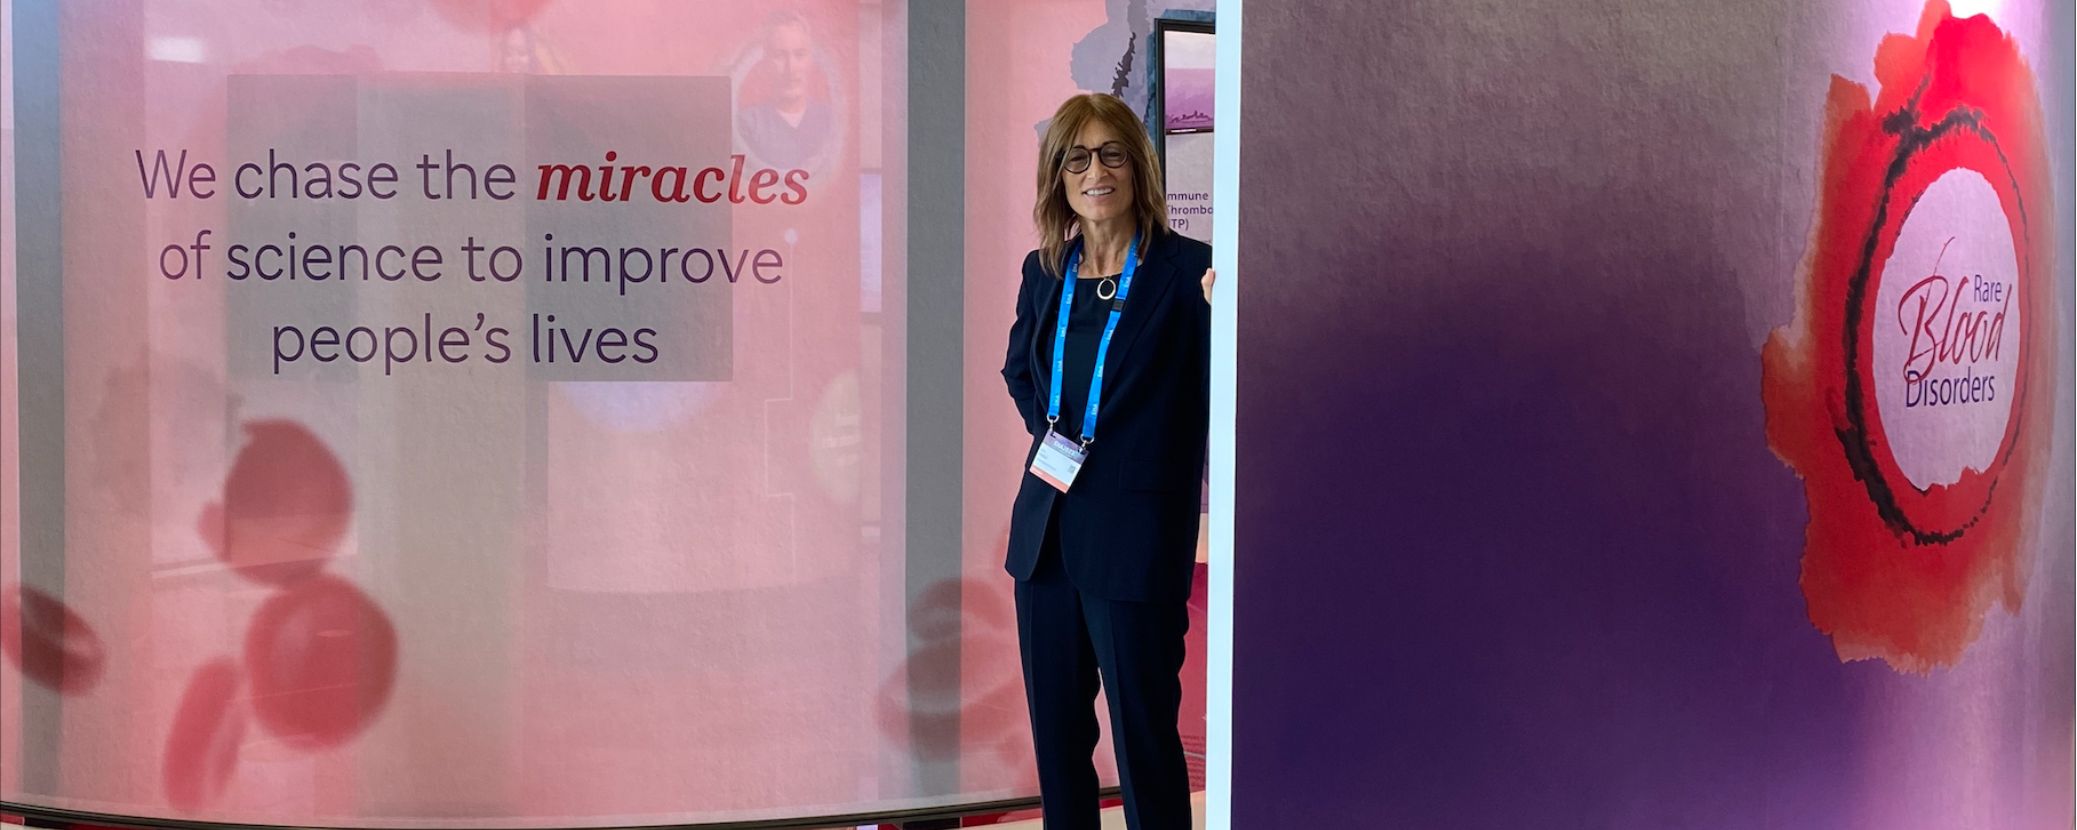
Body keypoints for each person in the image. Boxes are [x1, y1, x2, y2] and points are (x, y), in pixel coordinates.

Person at [1001, 92, 1214, 830]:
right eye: (1077, 157)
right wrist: (1059, 436)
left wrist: (1233, 317)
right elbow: (1018, 370)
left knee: (1144, 747)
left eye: (1112, 153)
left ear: (1139, 165)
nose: (1097, 170)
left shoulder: (1192, 274)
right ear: (1058, 175)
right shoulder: (1045, 270)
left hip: (1135, 542)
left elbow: (1223, 387)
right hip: (1046, 540)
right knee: (1059, 747)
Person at [736, 10, 835, 170]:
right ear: (765, 62)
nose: (791, 68)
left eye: (800, 55)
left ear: (811, 60)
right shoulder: (747, 124)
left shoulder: (830, 121)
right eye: (780, 55)